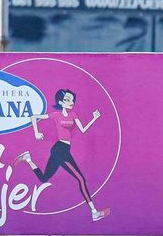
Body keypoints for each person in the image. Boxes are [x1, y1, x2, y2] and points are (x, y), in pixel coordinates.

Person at [20, 87, 110, 221]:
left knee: (44, 178)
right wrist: (36, 132)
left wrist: (94, 118)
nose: (71, 102)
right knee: (81, 179)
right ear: (61, 102)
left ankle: (28, 159)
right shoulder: (56, 115)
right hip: (60, 149)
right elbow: (34, 117)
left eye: (72, 100)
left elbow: (83, 130)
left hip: (62, 149)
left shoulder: (73, 115)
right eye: (68, 100)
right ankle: (94, 212)